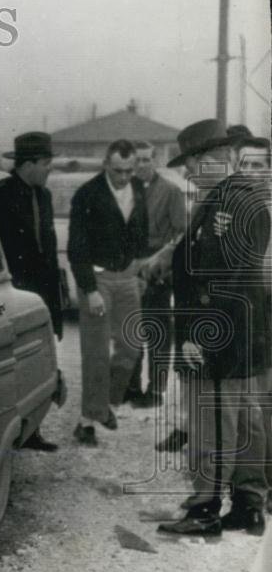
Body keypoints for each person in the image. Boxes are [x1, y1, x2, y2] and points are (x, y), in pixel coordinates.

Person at [157, 119, 271, 536]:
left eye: (189, 162)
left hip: (219, 334)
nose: (186, 171)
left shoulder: (229, 202)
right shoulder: (236, 196)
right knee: (246, 421)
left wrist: (195, 337)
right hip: (245, 333)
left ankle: (204, 509)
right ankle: (247, 504)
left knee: (213, 420)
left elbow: (223, 282)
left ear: (211, 159)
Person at [67, 139, 150, 446]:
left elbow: (142, 232)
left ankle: (106, 404)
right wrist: (89, 290)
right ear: (106, 165)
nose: (125, 177)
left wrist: (138, 271)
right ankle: (87, 421)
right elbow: (77, 248)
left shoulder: (139, 189)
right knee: (97, 352)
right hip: (98, 279)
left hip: (128, 276)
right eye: (118, 171)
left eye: (130, 170)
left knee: (131, 345)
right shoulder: (87, 194)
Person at [0, 131, 63, 452]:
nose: (49, 170)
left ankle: (33, 429)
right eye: (46, 164)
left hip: (43, 290)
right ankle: (10, 430)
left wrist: (59, 291)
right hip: (15, 290)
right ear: (28, 164)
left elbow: (49, 244)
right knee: (15, 363)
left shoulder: (44, 197)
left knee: (41, 359)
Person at [124, 140, 186, 407]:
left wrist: (161, 261)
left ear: (154, 161)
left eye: (146, 159)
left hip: (157, 270)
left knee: (157, 331)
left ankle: (156, 390)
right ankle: (131, 386)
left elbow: (181, 232)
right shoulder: (124, 190)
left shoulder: (170, 191)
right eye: (136, 160)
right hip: (128, 268)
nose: (141, 165)